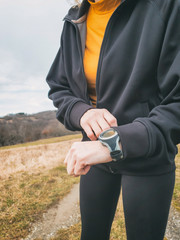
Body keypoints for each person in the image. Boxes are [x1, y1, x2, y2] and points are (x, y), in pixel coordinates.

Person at [46, 0, 180, 239]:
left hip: (147, 156)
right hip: (95, 155)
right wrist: (82, 111)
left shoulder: (165, 6)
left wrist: (116, 143)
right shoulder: (75, 20)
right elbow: (59, 86)